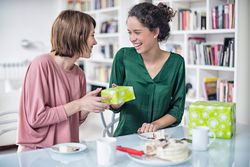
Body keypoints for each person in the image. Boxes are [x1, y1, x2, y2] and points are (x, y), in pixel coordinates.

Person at [17, 10, 110, 152]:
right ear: (77, 36)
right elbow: (36, 118)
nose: (95, 42)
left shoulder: (79, 74)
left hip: (68, 150)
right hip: (38, 151)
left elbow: (73, 121)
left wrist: (88, 106)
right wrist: (79, 104)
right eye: (92, 35)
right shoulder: (41, 64)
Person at [109, 2, 186, 136]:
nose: (132, 38)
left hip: (161, 141)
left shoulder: (176, 63)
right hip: (126, 139)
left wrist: (155, 125)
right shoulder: (123, 57)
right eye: (129, 32)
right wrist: (115, 102)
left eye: (137, 32)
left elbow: (177, 109)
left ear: (155, 31)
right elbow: (114, 106)